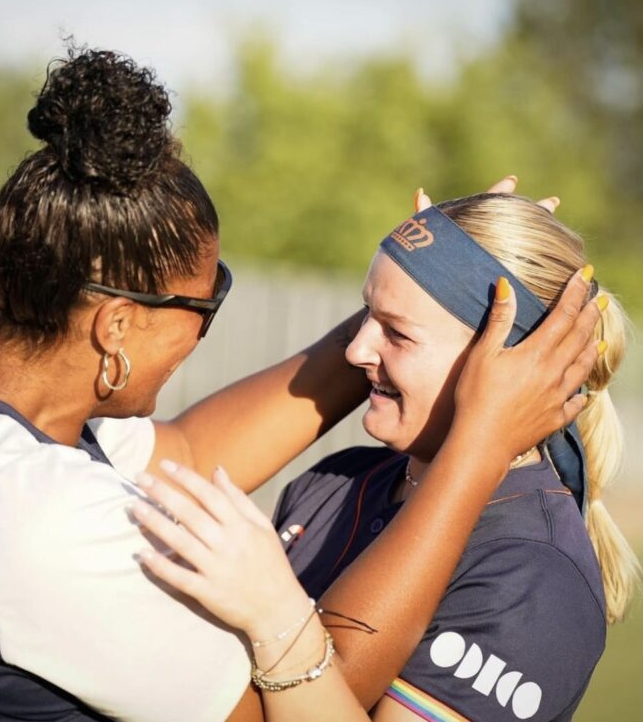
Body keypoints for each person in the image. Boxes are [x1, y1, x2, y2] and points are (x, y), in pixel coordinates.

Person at [0, 46, 600, 722]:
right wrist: (476, 444)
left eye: (394, 330)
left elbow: (190, 455)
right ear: (115, 328)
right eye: (207, 302)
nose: (359, 350)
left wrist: (434, 276)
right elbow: (290, 700)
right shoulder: (42, 521)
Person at [134, 193, 638, 721]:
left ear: (508, 364)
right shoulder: (336, 480)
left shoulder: (535, 575)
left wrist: (277, 617)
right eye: (367, 316)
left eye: (396, 332)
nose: (356, 351)